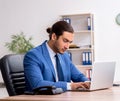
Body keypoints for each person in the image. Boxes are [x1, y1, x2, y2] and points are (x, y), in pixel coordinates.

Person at [24, 21, 90, 93]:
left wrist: (86, 82)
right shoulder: (33, 56)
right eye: (65, 41)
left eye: (70, 42)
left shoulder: (64, 55)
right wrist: (70, 86)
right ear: (54, 37)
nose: (67, 47)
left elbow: (77, 76)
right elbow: (37, 84)